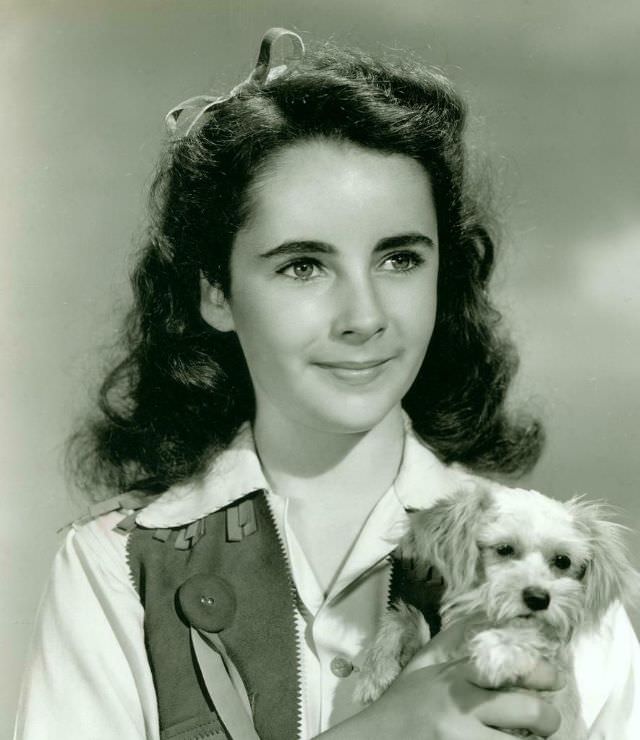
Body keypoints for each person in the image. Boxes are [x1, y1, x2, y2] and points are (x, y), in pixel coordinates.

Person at [14, 28, 640, 740]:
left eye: (400, 258)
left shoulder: (566, 578)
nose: (364, 317)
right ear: (216, 291)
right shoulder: (116, 566)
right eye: (303, 266)